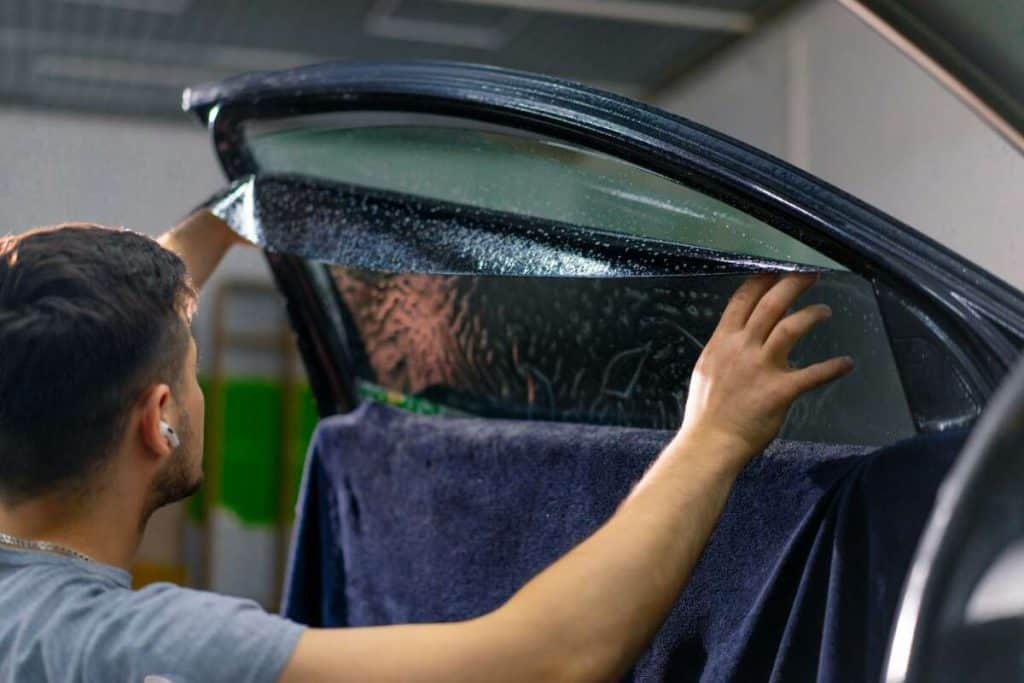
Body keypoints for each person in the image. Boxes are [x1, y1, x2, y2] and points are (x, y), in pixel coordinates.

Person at [0, 209, 852, 682]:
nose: (198, 387)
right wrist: (714, 434)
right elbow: (549, 659)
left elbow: (58, 340)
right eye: (191, 373)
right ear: (160, 420)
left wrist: (218, 226)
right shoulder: (129, 649)